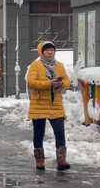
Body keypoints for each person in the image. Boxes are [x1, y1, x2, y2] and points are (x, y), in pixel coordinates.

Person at [26, 41, 71, 171]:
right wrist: (49, 84)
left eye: (52, 50)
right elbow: (31, 82)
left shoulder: (60, 66)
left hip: (55, 104)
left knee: (59, 132)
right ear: (42, 52)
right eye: (47, 50)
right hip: (39, 104)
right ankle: (40, 160)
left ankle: (61, 160)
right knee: (39, 133)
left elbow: (67, 80)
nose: (50, 52)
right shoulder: (35, 66)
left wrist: (62, 84)